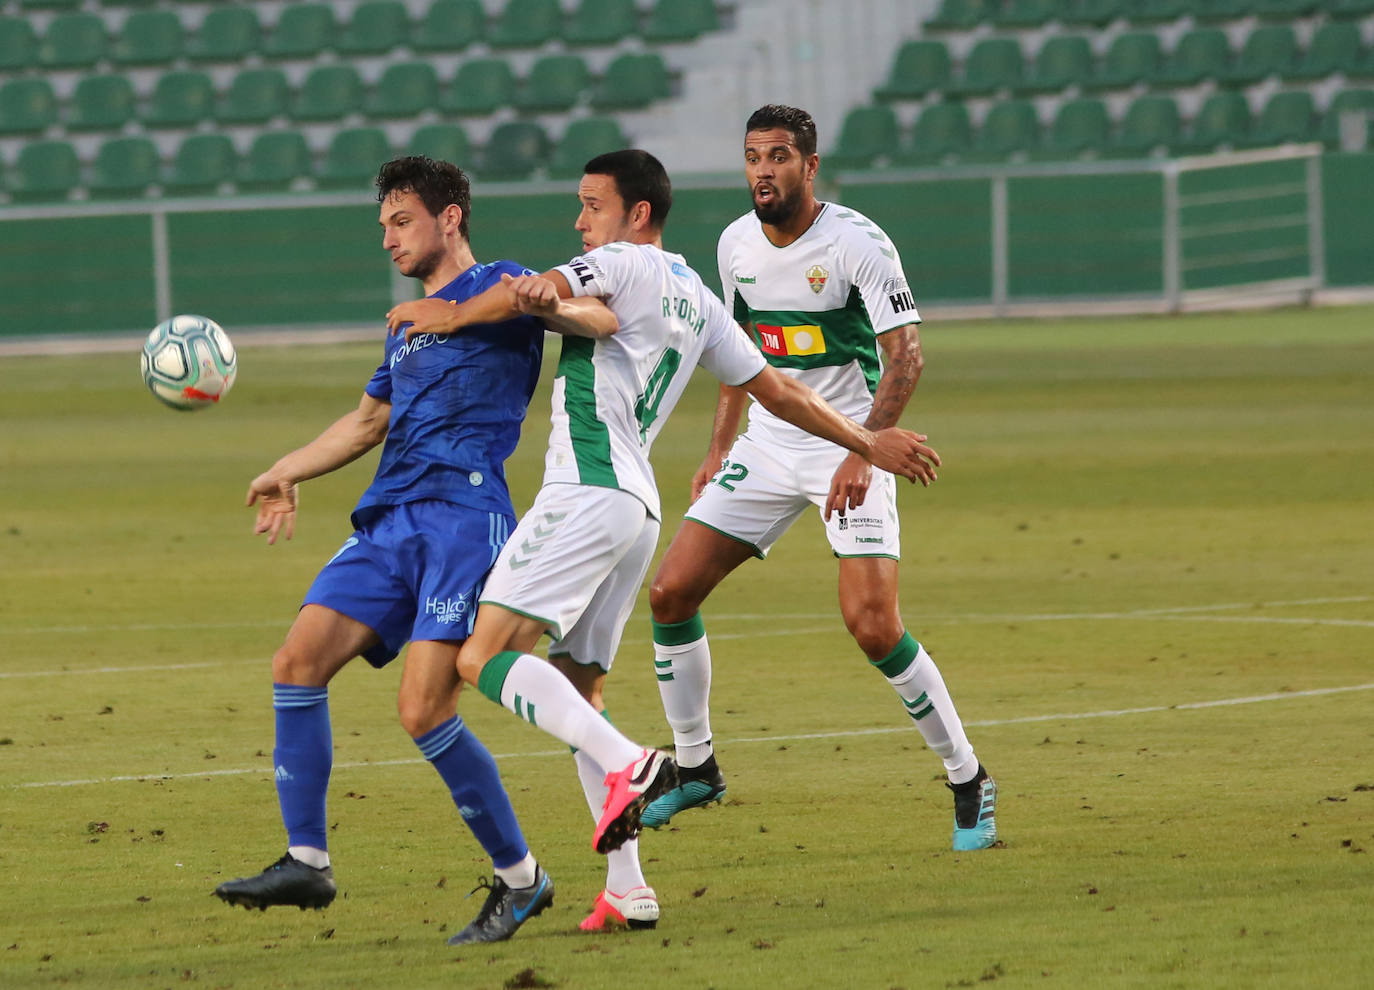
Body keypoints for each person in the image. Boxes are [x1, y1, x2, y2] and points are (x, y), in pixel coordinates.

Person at [385, 149, 942, 927]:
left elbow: (535, 290)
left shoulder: (617, 261)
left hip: (585, 490)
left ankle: (635, 763)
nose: (579, 223)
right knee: (578, 688)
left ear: (635, 214)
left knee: (481, 658)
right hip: (636, 510)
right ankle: (627, 887)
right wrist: (865, 438)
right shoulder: (697, 295)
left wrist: (458, 310)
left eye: (591, 206)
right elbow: (776, 392)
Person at [213, 156, 564, 946]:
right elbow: (367, 422)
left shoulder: (503, 285)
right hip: (390, 521)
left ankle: (522, 878)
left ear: (450, 219)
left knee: (422, 709)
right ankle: (307, 859)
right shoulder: (404, 325)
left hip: (463, 520)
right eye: (383, 226)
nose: (387, 240)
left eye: (400, 222)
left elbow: (554, 294)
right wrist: (284, 469)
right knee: (296, 661)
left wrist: (472, 307)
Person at [641, 105, 999, 852]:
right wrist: (720, 446)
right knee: (671, 591)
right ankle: (697, 767)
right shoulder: (735, 243)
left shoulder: (857, 244)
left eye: (778, 156)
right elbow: (739, 349)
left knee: (872, 626)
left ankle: (968, 778)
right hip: (770, 444)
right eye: (752, 156)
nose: (763, 170)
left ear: (810, 165)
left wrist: (863, 450)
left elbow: (907, 357)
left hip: (848, 444)